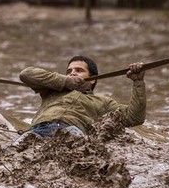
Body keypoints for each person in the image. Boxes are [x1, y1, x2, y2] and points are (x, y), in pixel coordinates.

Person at [18, 55, 146, 138]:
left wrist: (138, 82)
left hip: (72, 133)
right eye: (69, 71)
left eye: (79, 71)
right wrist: (65, 81)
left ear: (93, 79)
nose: (72, 73)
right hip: (38, 130)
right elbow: (26, 74)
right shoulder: (52, 89)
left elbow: (135, 117)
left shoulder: (103, 102)